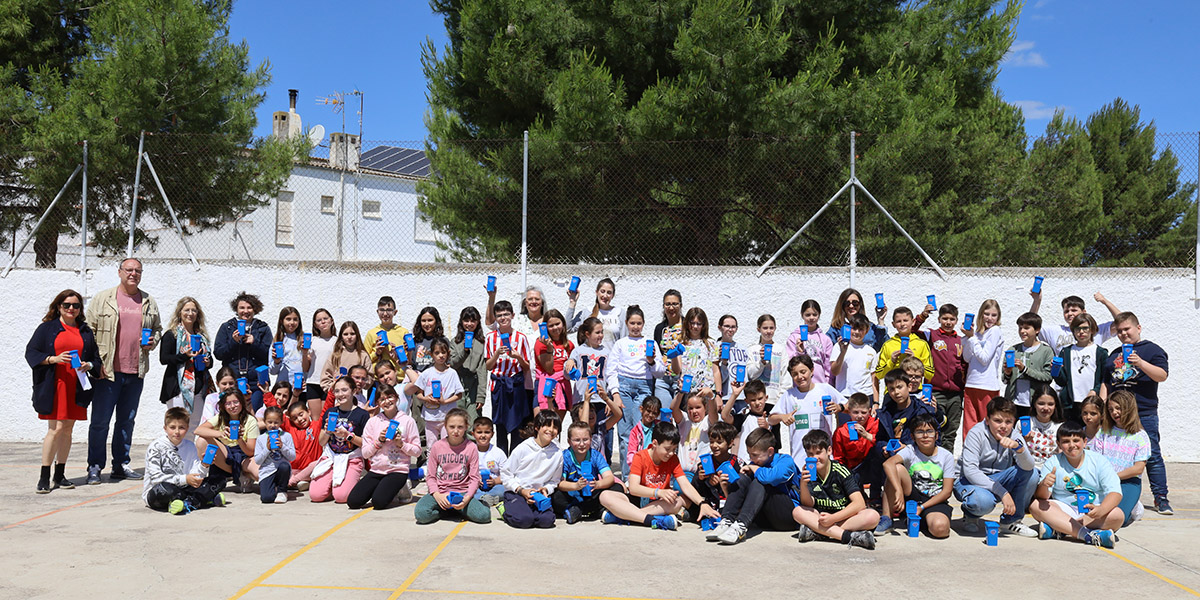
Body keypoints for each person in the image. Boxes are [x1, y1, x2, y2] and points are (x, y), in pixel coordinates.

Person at [85, 258, 162, 484]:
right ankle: (95, 466)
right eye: (129, 270)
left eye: (137, 270)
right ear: (119, 272)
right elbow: (88, 332)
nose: (133, 274)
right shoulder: (103, 299)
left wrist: (152, 342)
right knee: (100, 422)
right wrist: (94, 364)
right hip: (107, 372)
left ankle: (120, 464)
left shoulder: (148, 301)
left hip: (135, 371)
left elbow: (157, 329)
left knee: (126, 421)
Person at [26, 289, 101, 492]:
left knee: (68, 430)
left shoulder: (85, 331)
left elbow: (96, 359)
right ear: (59, 306)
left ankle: (59, 475)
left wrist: (89, 366)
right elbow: (31, 352)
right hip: (56, 384)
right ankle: (44, 476)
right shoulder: (47, 328)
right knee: (56, 429)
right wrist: (53, 359)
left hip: (77, 386)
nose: (71, 309)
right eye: (67, 305)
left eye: (76, 306)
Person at [1099, 311, 1170, 514]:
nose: (1123, 334)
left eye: (1127, 329)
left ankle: (1161, 498)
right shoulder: (1114, 355)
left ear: (1138, 328)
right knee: (1112, 452)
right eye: (1119, 331)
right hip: (1116, 414)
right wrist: (1103, 405)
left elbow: (1162, 376)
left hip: (1143, 412)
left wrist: (1140, 363)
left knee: (1152, 455)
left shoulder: (1152, 350)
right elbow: (1106, 382)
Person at [599, 421, 720, 530]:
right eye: (667, 449)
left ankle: (625, 516)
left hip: (660, 504)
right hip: (640, 499)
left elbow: (685, 485)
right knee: (605, 495)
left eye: (674, 449)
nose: (671, 453)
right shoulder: (640, 457)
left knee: (678, 501)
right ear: (655, 443)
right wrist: (658, 492)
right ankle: (652, 520)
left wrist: (702, 503)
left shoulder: (673, 459)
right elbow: (634, 488)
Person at [954, 396, 1038, 537]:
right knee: (982, 502)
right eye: (997, 421)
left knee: (1032, 473)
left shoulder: (1014, 435)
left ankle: (1011, 522)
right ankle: (971, 514)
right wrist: (1002, 492)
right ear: (987, 420)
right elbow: (970, 471)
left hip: (997, 479)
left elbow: (1029, 467)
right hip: (967, 481)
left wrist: (1020, 449)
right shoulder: (976, 433)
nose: (1003, 426)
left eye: (1008, 421)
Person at [1030, 422, 1123, 548]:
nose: (1072, 445)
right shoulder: (1053, 462)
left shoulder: (1099, 461)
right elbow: (1042, 497)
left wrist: (1101, 510)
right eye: (1066, 441)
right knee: (1035, 506)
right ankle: (1087, 535)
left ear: (1085, 442)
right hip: (1064, 510)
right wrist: (1044, 485)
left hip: (1092, 512)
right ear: (1059, 444)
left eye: (1076, 440)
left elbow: (1115, 493)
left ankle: (1060, 529)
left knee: (1117, 515)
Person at [706, 428, 800, 545]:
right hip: (763, 518)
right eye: (749, 454)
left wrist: (754, 468)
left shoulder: (785, 461)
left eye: (755, 455)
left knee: (760, 481)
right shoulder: (755, 464)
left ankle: (741, 526)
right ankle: (727, 521)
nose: (751, 459)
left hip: (787, 517)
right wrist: (727, 486)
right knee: (742, 478)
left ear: (770, 451)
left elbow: (770, 477)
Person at [792, 429, 880, 549]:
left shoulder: (841, 471)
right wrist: (803, 484)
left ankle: (820, 533)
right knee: (797, 512)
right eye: (810, 454)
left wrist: (833, 519)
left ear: (829, 450)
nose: (815, 458)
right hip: (822, 518)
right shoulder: (809, 473)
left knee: (872, 516)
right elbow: (808, 504)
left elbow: (859, 504)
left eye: (818, 452)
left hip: (844, 518)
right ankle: (850, 537)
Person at [608, 306, 665, 478]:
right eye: (632, 323)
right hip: (624, 387)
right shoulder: (620, 344)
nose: (635, 326)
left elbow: (660, 371)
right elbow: (611, 370)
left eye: (639, 323)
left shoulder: (650, 343)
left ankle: (643, 473)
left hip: (644, 386)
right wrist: (615, 393)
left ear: (643, 324)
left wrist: (651, 361)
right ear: (626, 323)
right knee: (625, 433)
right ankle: (627, 477)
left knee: (643, 430)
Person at [881, 414, 956, 538]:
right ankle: (886, 518)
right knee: (897, 468)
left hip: (934, 500)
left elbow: (947, 492)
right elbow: (888, 464)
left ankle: (920, 520)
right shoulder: (910, 450)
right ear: (912, 436)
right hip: (912, 494)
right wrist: (898, 490)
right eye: (920, 432)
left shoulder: (946, 456)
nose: (925, 436)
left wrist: (922, 507)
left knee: (940, 530)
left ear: (936, 435)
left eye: (929, 431)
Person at [349, 383, 421, 510]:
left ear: (396, 397)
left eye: (390, 397)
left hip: (398, 469)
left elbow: (417, 452)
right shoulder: (373, 422)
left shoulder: (408, 421)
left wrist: (401, 444)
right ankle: (385, 488)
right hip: (377, 470)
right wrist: (379, 441)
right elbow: (365, 453)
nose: (387, 401)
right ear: (378, 403)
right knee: (353, 501)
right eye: (382, 399)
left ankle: (401, 488)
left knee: (378, 502)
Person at [143, 408, 226, 514]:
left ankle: (186, 503)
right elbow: (156, 478)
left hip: (185, 488)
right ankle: (202, 499)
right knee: (167, 490)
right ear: (165, 428)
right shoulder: (155, 447)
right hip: (160, 490)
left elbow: (196, 475)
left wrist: (204, 465)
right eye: (172, 427)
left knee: (219, 480)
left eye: (181, 428)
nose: (177, 432)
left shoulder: (190, 446)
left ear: (187, 428)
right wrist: (185, 479)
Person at [416, 408, 492, 524]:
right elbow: (430, 476)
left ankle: (460, 509)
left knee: (484, 516)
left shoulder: (471, 447)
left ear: (466, 427)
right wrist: (437, 495)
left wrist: (467, 498)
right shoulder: (437, 446)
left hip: (462, 492)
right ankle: (445, 511)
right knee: (421, 514)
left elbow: (474, 478)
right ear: (445, 426)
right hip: (441, 492)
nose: (456, 431)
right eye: (452, 427)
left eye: (460, 427)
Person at [1090, 390, 1150, 526]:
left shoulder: (1141, 436)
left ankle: (1134, 507)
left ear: (1129, 408)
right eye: (1111, 409)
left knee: (1117, 519)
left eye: (1118, 408)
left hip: (1128, 482)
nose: (1114, 412)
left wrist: (1114, 477)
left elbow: (1138, 468)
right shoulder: (1104, 432)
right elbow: (1095, 459)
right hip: (1103, 481)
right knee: (1091, 510)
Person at [769, 355, 845, 461]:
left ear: (812, 371)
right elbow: (771, 419)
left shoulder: (825, 389)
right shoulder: (789, 395)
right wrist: (782, 417)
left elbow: (849, 406)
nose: (800, 377)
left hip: (824, 459)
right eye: (795, 374)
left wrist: (839, 407)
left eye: (803, 372)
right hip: (799, 459)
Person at [913, 303, 966, 451]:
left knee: (951, 430)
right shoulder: (932, 335)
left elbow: (965, 364)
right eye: (945, 318)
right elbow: (912, 330)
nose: (948, 322)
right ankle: (933, 461)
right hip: (935, 392)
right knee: (935, 429)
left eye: (952, 319)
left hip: (956, 394)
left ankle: (947, 462)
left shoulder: (961, 340)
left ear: (956, 320)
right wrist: (923, 315)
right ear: (939, 319)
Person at [500, 410, 564, 529]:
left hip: (538, 495)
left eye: (555, 427)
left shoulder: (557, 453)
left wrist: (546, 489)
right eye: (546, 425)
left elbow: (555, 481)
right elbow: (506, 473)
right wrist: (520, 490)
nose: (550, 430)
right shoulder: (524, 448)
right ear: (537, 427)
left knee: (547, 521)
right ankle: (505, 509)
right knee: (524, 521)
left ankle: (528, 511)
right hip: (518, 492)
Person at [310, 376, 370, 503]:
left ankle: (345, 483)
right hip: (331, 456)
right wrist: (327, 432)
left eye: (344, 390)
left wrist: (348, 436)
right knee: (315, 496)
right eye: (337, 391)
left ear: (353, 391)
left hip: (352, 458)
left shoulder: (363, 414)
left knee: (342, 497)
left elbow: (366, 444)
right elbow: (321, 442)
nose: (340, 394)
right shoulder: (331, 412)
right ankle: (333, 484)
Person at [485, 300, 532, 454]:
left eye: (506, 314)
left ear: (512, 315)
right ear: (495, 318)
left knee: (518, 425)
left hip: (516, 383)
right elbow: (488, 366)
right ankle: (502, 459)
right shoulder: (490, 338)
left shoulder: (521, 338)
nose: (503, 318)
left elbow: (526, 367)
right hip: (499, 385)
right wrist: (497, 353)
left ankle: (516, 460)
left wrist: (517, 356)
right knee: (500, 424)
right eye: (499, 315)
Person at [566, 316, 615, 458]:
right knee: (581, 434)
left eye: (601, 332)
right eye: (597, 332)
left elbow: (610, 376)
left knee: (603, 435)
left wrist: (609, 398)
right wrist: (569, 364)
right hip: (581, 400)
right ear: (587, 334)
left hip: (600, 401)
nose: (601, 336)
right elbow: (569, 373)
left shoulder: (606, 352)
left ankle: (605, 464)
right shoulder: (578, 351)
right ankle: (579, 463)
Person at [213, 291, 270, 412]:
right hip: (233, 382)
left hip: (256, 382)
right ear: (236, 309)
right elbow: (218, 353)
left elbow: (269, 355)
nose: (246, 311)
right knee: (233, 415)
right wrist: (233, 342)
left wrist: (254, 343)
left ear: (255, 309)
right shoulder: (227, 327)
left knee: (253, 415)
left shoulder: (262, 327)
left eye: (249, 307)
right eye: (242, 308)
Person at [194, 388, 260, 493]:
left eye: (235, 402)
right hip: (226, 454)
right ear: (224, 406)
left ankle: (244, 474)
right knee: (201, 441)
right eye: (228, 403)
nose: (232, 406)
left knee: (258, 474)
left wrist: (239, 438)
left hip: (244, 455)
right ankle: (238, 474)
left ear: (241, 403)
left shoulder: (250, 420)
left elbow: (251, 451)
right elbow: (198, 430)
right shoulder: (220, 417)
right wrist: (221, 433)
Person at [554, 420, 617, 524]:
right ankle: (576, 510)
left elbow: (610, 477)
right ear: (569, 441)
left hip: (591, 494)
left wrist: (598, 484)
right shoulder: (565, 457)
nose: (582, 444)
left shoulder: (595, 455)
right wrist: (576, 486)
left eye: (585, 439)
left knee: (616, 488)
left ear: (591, 439)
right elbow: (560, 483)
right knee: (556, 495)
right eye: (577, 440)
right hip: (573, 495)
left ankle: (587, 511)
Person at [261, 389, 322, 491]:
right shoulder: (290, 428)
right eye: (294, 418)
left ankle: (293, 481)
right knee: (281, 467)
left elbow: (327, 407)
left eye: (301, 414)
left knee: (318, 463)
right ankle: (300, 482)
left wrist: (331, 392)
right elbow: (276, 412)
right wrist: (267, 393)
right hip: (293, 470)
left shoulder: (317, 426)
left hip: (310, 469)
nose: (299, 419)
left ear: (309, 412)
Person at [1053, 313, 1108, 423]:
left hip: (1092, 403)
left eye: (1085, 328)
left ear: (1092, 330)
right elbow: (1062, 381)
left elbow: (1105, 378)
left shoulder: (1100, 352)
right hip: (1071, 405)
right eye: (1077, 329)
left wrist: (1095, 391)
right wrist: (1055, 370)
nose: (1081, 332)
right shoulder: (1066, 351)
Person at [408, 337, 465, 444]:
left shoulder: (452, 373)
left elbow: (459, 394)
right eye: (437, 353)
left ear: (448, 353)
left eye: (443, 352)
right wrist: (426, 398)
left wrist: (445, 401)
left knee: (446, 445)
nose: (440, 356)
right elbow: (418, 394)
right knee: (431, 446)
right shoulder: (426, 373)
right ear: (431, 354)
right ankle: (431, 461)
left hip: (447, 418)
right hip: (430, 417)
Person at [962, 299, 1004, 438]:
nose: (990, 318)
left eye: (994, 315)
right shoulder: (977, 334)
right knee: (970, 426)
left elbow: (985, 359)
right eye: (986, 314)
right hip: (971, 384)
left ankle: (987, 457)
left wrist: (972, 338)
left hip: (987, 385)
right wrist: (968, 338)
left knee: (988, 426)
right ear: (981, 314)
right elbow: (967, 358)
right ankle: (969, 456)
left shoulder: (995, 331)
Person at [1030, 291, 1121, 354]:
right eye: (1066, 311)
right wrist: (1037, 301)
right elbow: (1030, 325)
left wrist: (1105, 301)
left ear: (1084, 312)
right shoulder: (1055, 331)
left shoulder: (1097, 330)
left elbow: (1122, 321)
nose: (1070, 314)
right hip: (1065, 381)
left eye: (1074, 310)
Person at [1002, 312, 1053, 418]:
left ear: (1037, 330)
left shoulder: (1046, 351)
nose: (1022, 331)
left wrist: (1025, 369)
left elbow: (1048, 377)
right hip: (1013, 402)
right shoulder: (1012, 350)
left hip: (1034, 404)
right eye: (1020, 328)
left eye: (1026, 328)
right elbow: (1005, 380)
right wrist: (1007, 373)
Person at [670, 307, 722, 405]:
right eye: (692, 323)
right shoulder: (680, 343)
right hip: (686, 392)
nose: (695, 326)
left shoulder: (711, 344)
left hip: (706, 391)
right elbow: (677, 370)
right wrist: (674, 355)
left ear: (703, 325)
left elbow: (716, 371)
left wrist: (718, 394)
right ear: (687, 323)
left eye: (698, 324)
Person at [830, 314, 880, 407]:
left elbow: (874, 379)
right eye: (854, 328)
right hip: (844, 396)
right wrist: (843, 352)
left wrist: (876, 403)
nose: (857, 332)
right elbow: (834, 371)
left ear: (866, 331)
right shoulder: (838, 347)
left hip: (866, 396)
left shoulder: (871, 351)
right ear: (849, 329)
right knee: (845, 422)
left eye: (861, 329)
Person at [533, 309, 574, 419]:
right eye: (551, 325)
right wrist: (550, 348)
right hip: (546, 383)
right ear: (545, 328)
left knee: (557, 426)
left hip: (563, 384)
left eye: (558, 324)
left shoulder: (569, 345)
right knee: (543, 424)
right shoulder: (540, 343)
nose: (555, 328)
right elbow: (549, 369)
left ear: (563, 324)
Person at [449, 307, 488, 423]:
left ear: (478, 322)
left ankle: (472, 442)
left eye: (473, 321)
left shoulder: (482, 343)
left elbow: (482, 370)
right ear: (461, 322)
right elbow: (453, 364)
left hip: (474, 385)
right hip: (457, 384)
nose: (469, 324)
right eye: (466, 320)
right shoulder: (454, 342)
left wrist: (481, 395)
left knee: (473, 420)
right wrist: (465, 351)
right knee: (458, 420)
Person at [875, 307, 933, 383]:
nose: (902, 324)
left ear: (913, 322)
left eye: (905, 320)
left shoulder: (922, 344)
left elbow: (930, 374)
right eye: (898, 321)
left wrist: (915, 360)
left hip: (915, 390)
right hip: (893, 390)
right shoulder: (888, 345)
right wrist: (891, 361)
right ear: (893, 324)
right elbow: (879, 375)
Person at [727, 380, 781, 464]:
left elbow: (776, 446)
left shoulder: (773, 420)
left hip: (765, 467)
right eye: (753, 400)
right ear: (746, 401)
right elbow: (725, 416)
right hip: (745, 465)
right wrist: (734, 395)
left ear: (766, 397)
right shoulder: (744, 418)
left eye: (760, 398)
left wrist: (767, 428)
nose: (757, 403)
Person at [565, 277, 626, 346]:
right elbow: (567, 329)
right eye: (602, 291)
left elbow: (624, 341)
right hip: (590, 356)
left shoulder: (620, 313)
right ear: (597, 292)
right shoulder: (587, 312)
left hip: (612, 356)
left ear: (613, 295)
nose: (605, 295)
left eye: (609, 293)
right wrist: (572, 302)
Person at [254, 406, 296, 504]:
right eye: (270, 422)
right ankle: (274, 488)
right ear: (264, 421)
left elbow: (292, 457)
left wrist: (282, 447)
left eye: (276, 422)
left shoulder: (286, 436)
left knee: (284, 466)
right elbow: (257, 461)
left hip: (281, 470)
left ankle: (282, 490)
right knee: (267, 498)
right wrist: (267, 449)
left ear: (281, 422)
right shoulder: (261, 438)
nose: (273, 425)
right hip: (267, 472)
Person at [785, 300, 834, 384]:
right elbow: (790, 363)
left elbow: (828, 366)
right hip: (800, 385)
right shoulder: (794, 338)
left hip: (820, 384)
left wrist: (828, 384)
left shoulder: (826, 339)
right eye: (808, 315)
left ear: (819, 315)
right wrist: (799, 352)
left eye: (814, 314)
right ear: (802, 315)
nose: (811, 318)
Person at [744, 314, 787, 404]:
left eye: (771, 328)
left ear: (775, 328)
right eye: (765, 328)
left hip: (775, 400)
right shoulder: (752, 349)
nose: (768, 331)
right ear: (758, 329)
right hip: (756, 401)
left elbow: (786, 376)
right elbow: (750, 375)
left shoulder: (781, 349)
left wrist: (781, 398)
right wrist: (761, 363)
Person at [652, 289, 684, 408]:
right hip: (663, 380)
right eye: (668, 304)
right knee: (664, 418)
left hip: (681, 379)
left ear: (681, 305)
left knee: (683, 418)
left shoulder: (688, 325)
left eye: (675, 304)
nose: (671, 308)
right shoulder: (660, 328)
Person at [320, 321, 371, 391]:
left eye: (352, 334)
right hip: (338, 396)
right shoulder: (335, 355)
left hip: (356, 396)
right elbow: (325, 376)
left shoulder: (363, 355)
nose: (349, 337)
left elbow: (370, 376)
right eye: (345, 334)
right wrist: (332, 389)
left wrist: (360, 384)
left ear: (357, 335)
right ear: (341, 337)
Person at [305, 309, 337, 413]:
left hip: (329, 382)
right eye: (319, 320)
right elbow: (306, 367)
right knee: (315, 419)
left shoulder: (337, 341)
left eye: (325, 319)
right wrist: (304, 353)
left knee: (325, 417)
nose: (323, 322)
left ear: (331, 321)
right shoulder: (312, 340)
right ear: (315, 324)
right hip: (312, 382)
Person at [1024, 386, 1063, 470]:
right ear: (1034, 404)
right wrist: (1024, 441)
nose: (1046, 408)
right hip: (1029, 469)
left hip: (1052, 469)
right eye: (1041, 404)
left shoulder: (1060, 426)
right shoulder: (1024, 423)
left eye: (1050, 404)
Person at [365, 296, 410, 371]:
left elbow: (409, 359)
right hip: (378, 378)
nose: (385, 314)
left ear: (395, 312)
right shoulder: (371, 333)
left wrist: (398, 355)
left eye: (389, 310)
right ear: (377, 312)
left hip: (400, 377)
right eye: (382, 310)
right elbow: (364, 360)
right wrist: (377, 353)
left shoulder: (403, 332)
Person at [472, 417, 507, 506]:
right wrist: (476, 479)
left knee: (504, 490)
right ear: (473, 434)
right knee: (467, 489)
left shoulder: (498, 453)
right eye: (479, 432)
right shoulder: (470, 451)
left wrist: (495, 481)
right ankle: (484, 497)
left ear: (492, 434)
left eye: (487, 432)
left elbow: (506, 474)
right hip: (476, 485)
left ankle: (485, 498)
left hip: (494, 486)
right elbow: (465, 471)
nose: (483, 435)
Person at [714, 314, 751, 400]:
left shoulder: (743, 349)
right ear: (719, 327)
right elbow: (717, 377)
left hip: (742, 397)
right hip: (724, 397)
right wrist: (723, 363)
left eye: (733, 327)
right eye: (727, 326)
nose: (730, 329)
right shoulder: (715, 348)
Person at [268, 306, 305, 390]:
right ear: (282, 321)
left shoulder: (303, 339)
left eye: (295, 319)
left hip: (302, 386)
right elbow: (272, 371)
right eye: (288, 319)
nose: (292, 322)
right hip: (284, 388)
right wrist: (276, 361)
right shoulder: (277, 341)